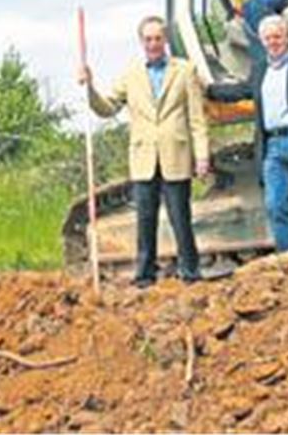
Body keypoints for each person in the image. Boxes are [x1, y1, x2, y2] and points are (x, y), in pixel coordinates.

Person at [78, 16, 210, 287]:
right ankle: (145, 275)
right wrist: (89, 86)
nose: (153, 44)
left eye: (158, 38)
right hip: (143, 158)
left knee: (180, 218)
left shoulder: (185, 71)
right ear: (141, 42)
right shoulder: (130, 74)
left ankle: (191, 271)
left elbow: (197, 119)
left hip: (176, 154)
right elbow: (106, 108)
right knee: (145, 219)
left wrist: (202, 155)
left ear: (166, 40)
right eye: (148, 39)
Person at [208, 14, 288, 253]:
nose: (273, 41)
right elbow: (241, 91)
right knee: (275, 205)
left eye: (278, 36)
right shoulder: (260, 70)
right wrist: (208, 89)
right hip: (272, 145)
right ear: (262, 42)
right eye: (268, 38)